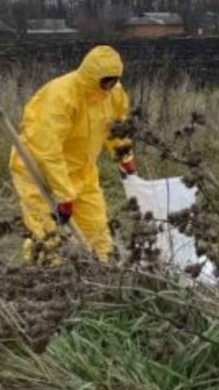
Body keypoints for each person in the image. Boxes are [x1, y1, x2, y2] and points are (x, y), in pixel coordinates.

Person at [9, 45, 137, 264]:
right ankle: (45, 279)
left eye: (114, 80)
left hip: (82, 170)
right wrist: (64, 195)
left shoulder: (113, 94)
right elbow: (48, 150)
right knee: (47, 232)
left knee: (97, 229)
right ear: (91, 75)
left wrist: (125, 157)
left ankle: (104, 274)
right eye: (105, 80)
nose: (110, 85)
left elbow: (116, 127)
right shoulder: (61, 96)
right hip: (38, 169)